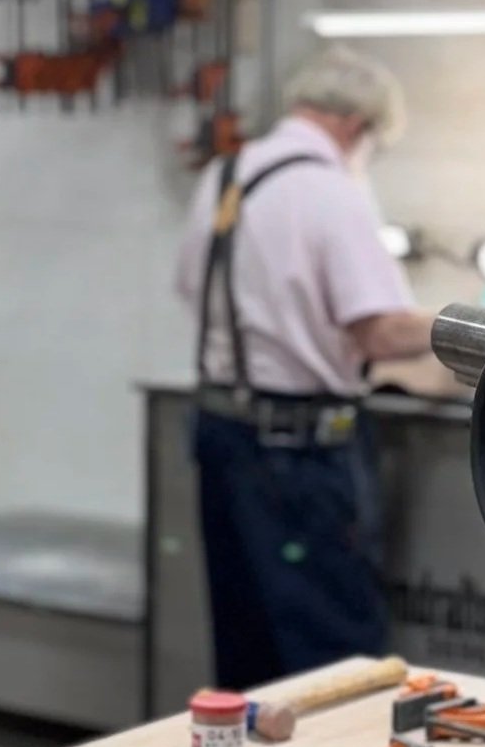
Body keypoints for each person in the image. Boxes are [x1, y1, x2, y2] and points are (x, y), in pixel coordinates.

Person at [174, 48, 436, 691]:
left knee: (247, 646)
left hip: (222, 435)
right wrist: (481, 325)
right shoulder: (329, 190)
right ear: (356, 126)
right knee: (330, 656)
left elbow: (186, 285)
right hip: (300, 455)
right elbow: (379, 329)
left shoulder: (225, 175)